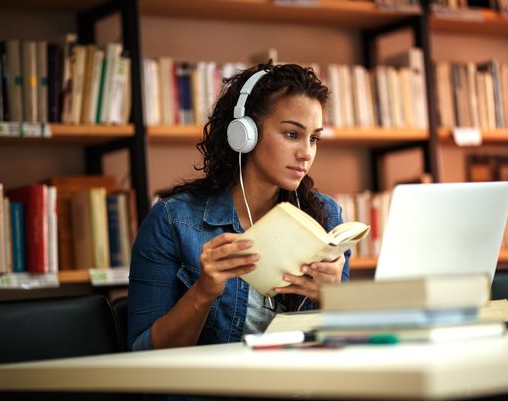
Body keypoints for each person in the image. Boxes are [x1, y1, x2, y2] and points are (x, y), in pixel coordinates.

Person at [128, 62, 350, 354]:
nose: (306, 153)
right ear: (245, 134)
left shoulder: (327, 217)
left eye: (314, 138)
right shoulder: (172, 221)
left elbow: (342, 346)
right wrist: (202, 293)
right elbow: (143, 354)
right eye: (292, 134)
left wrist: (331, 299)